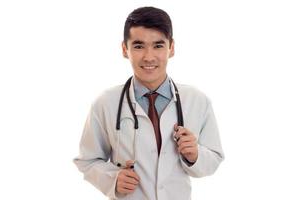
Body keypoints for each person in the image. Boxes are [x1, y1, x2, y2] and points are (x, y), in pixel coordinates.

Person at [74, 6, 224, 200]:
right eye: (138, 46)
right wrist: (112, 179)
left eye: (158, 45)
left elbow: (214, 158)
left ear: (171, 48)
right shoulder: (105, 104)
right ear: (124, 49)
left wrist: (195, 155)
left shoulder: (197, 101)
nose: (149, 57)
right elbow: (88, 160)